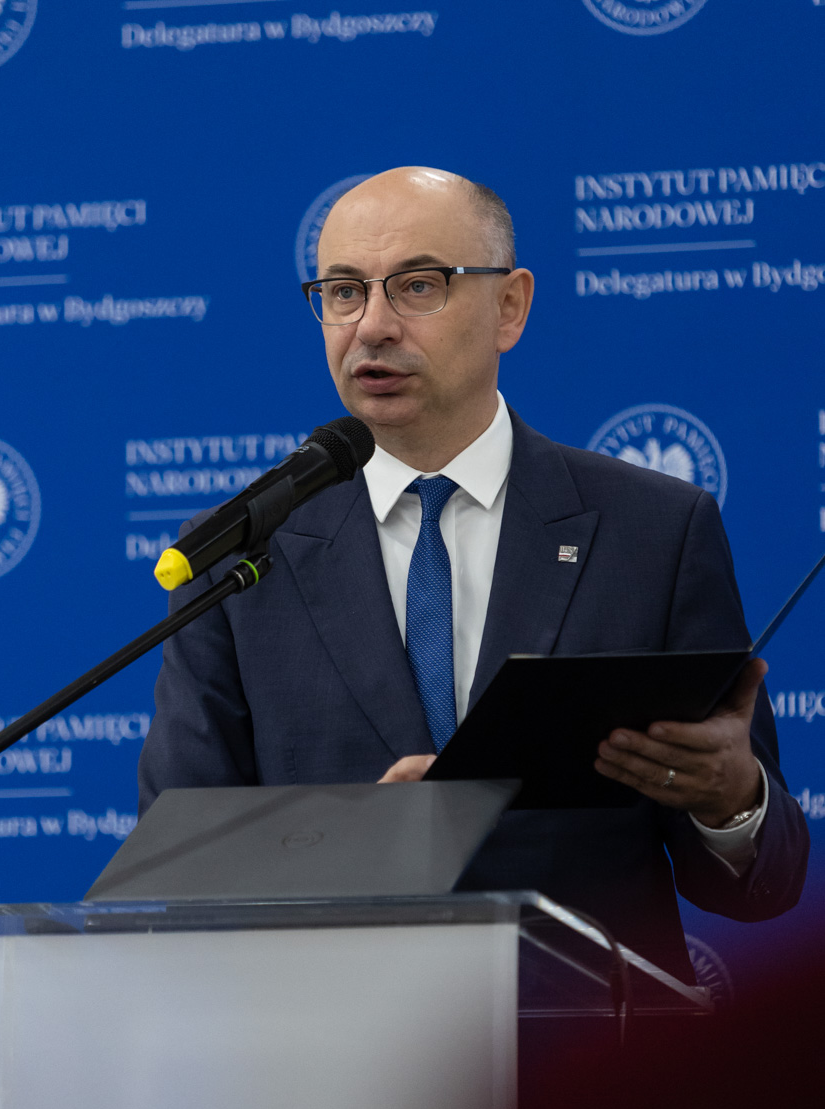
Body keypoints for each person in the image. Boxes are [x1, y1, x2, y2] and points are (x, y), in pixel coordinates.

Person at [138, 167, 808, 980]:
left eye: (417, 285)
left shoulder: (653, 531)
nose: (371, 325)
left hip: (589, 1042)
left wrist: (730, 799)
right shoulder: (242, 554)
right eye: (344, 292)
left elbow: (759, 887)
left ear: (509, 307)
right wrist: (361, 841)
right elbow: (178, 862)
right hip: (336, 1041)